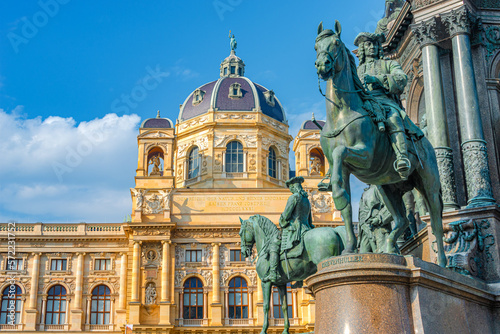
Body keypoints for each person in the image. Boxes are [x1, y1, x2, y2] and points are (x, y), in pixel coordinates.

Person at [354, 32, 424, 180]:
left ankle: (402, 157)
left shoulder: (388, 63)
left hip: (384, 101)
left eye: (375, 44)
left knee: (393, 117)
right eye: (368, 44)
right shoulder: (357, 71)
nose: (372, 47)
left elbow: (401, 78)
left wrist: (377, 79)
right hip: (364, 104)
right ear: (362, 49)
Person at [263, 176, 315, 282]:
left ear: (293, 187)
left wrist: (282, 222)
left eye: (290, 187)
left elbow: (286, 215)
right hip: (306, 228)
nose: (290, 189)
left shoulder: (294, 197)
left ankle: (273, 273)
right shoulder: (306, 199)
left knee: (274, 245)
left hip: (294, 229)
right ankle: (299, 280)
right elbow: (310, 219)